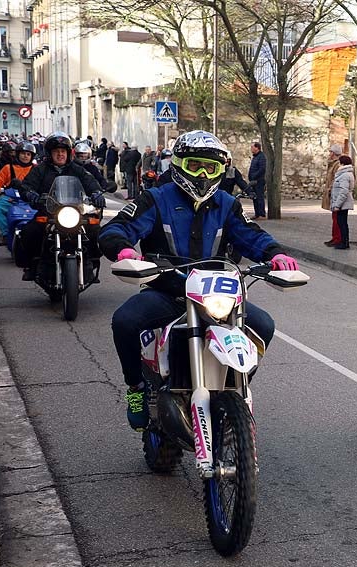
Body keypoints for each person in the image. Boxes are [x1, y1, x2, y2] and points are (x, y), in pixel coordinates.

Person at [97, 130, 299, 431]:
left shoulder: (227, 204)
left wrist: (276, 254)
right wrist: (124, 249)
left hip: (215, 296)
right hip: (168, 291)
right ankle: (136, 388)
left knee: (264, 325)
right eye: (195, 166)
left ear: (221, 171)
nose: (203, 174)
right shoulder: (155, 198)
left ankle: (231, 385)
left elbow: (251, 235)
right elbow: (117, 229)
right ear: (178, 164)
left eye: (211, 167)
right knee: (125, 320)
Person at [16, 132, 105, 281]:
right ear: (50, 154)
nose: (60, 154)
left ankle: (90, 263)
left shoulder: (77, 169)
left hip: (75, 212)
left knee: (97, 232)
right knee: (28, 232)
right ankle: (32, 266)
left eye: (63, 151)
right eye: (56, 151)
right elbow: (27, 185)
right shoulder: (40, 169)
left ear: (68, 153)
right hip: (49, 212)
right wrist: (31, 194)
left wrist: (97, 193)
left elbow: (90, 182)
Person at [0, 141, 35, 236]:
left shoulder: (37, 169)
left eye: (28, 154)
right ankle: (7, 233)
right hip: (10, 198)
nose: (25, 156)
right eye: (23, 153)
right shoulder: (8, 167)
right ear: (17, 154)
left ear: (32, 156)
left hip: (30, 198)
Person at [330, 155, 355, 249]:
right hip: (342, 203)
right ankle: (344, 242)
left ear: (342, 163)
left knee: (342, 223)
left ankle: (344, 242)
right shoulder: (345, 174)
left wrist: (337, 205)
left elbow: (343, 191)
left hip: (342, 204)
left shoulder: (345, 175)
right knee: (342, 223)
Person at [322, 145, 343, 247]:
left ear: (334, 153)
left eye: (330, 152)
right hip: (332, 193)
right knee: (334, 217)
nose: (329, 154)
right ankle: (334, 237)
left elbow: (336, 179)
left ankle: (338, 238)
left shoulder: (337, 165)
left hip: (335, 194)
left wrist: (330, 189)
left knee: (336, 217)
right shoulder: (332, 164)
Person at [248, 141, 267, 219]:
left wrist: (254, 176)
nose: (251, 149)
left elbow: (262, 169)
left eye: (252, 147)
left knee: (259, 197)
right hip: (253, 181)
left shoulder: (261, 157)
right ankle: (257, 213)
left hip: (259, 181)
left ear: (257, 148)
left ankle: (262, 214)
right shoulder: (255, 157)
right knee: (255, 197)